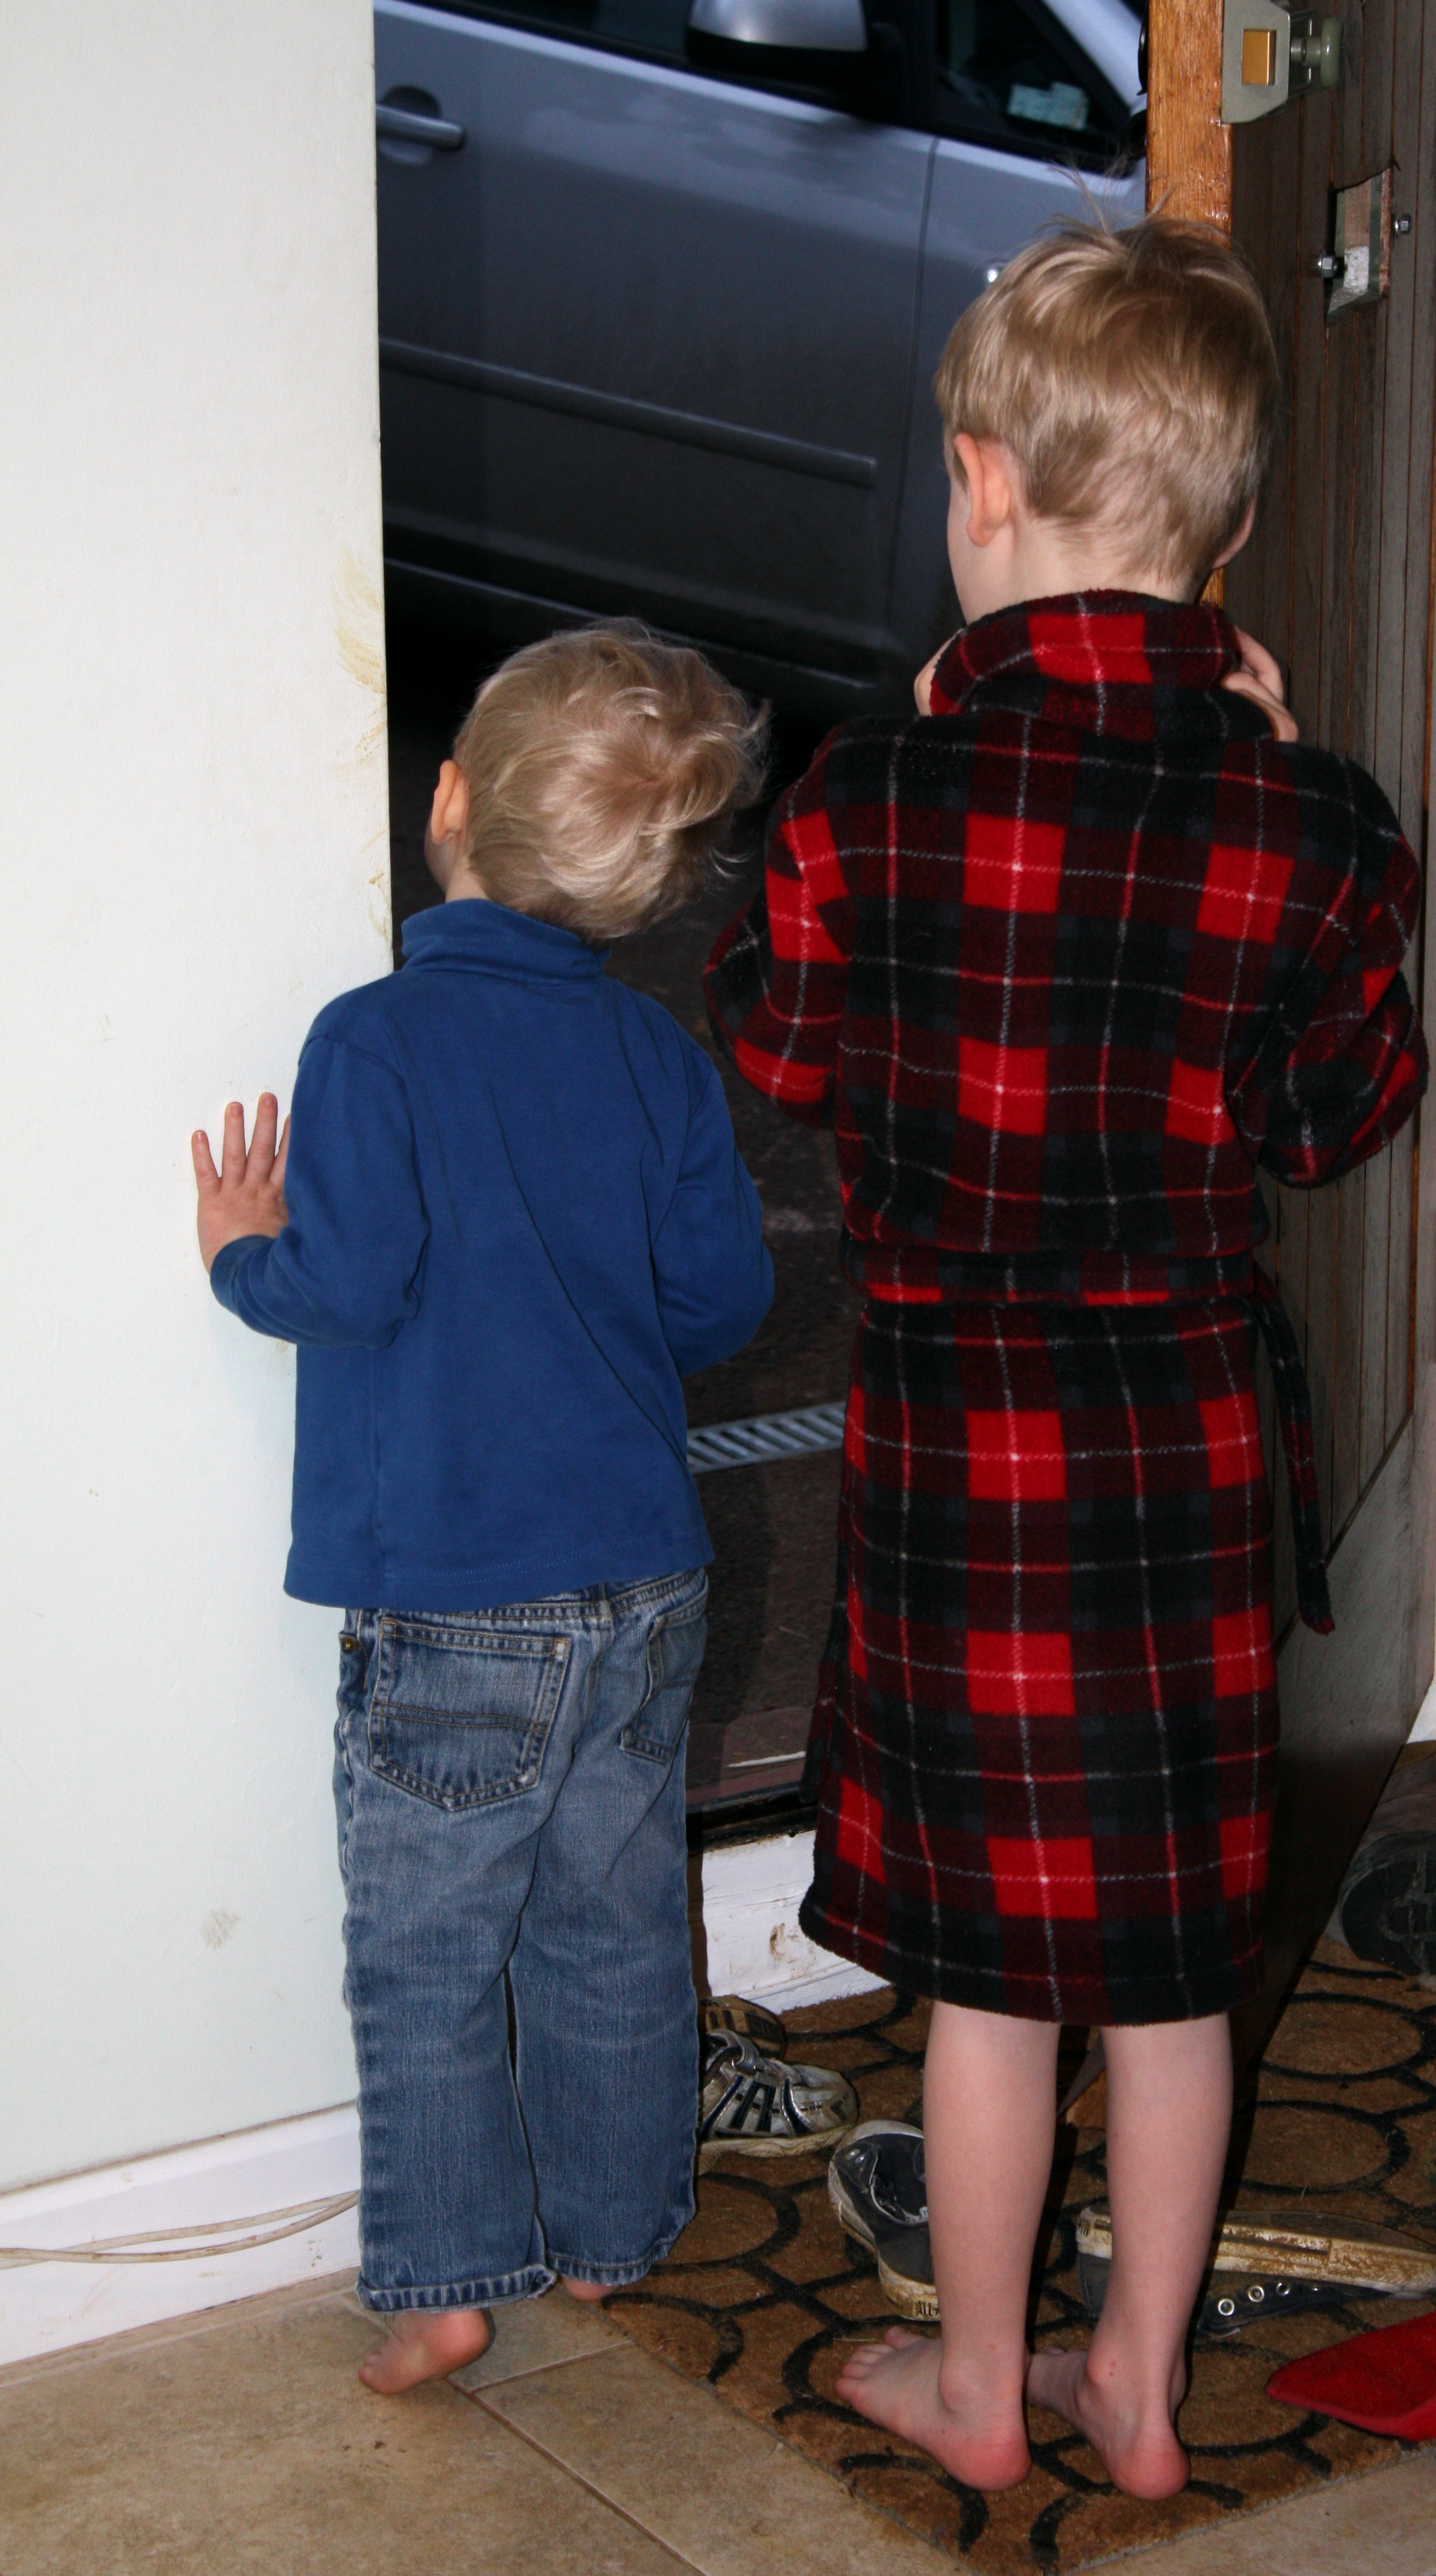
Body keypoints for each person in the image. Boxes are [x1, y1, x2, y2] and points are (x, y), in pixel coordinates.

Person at [703, 218, 1427, 2498]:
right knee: (1174, 1966)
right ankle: (1139, 2391)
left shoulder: (867, 797)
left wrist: (906, 780)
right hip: (1186, 1443)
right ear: (1232, 527)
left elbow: (779, 1044)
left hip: (961, 1455)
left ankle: (980, 2391)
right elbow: (1335, 1114)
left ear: (985, 479)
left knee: (994, 1978)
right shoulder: (1312, 820)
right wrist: (1289, 780)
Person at [192, 626, 774, 2394]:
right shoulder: (658, 1056)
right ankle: (611, 2238)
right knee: (614, 1922)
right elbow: (721, 1301)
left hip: (457, 1596)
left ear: (447, 800)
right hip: (646, 1580)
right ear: (640, 882)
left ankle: (445, 2283)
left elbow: (347, 1285)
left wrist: (241, 1255)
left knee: (429, 1951)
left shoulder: (373, 1040)